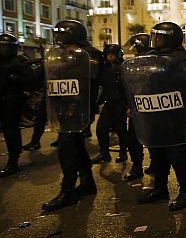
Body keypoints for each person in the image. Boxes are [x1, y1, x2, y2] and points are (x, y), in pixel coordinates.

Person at [133, 22, 186, 211]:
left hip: (174, 115)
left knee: (177, 154)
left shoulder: (182, 58)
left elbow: (185, 85)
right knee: (157, 153)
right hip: (154, 113)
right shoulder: (152, 56)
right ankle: (160, 188)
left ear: (170, 37)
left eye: (159, 37)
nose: (156, 40)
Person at [42, 20, 104, 212]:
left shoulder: (89, 54)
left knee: (66, 148)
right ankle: (87, 182)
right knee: (77, 146)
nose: (58, 38)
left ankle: (67, 190)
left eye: (62, 34)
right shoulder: (59, 54)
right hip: (63, 108)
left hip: (78, 109)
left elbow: (89, 79)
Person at [0, 33, 36, 177]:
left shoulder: (21, 62)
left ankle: (13, 161)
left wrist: (14, 78)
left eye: (7, 47)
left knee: (11, 131)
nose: (4, 50)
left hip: (11, 100)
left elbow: (31, 82)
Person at [92, 44, 129, 164]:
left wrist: (128, 105)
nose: (110, 56)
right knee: (101, 128)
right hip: (109, 103)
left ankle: (123, 153)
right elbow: (103, 85)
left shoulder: (123, 67)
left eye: (113, 54)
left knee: (121, 129)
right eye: (108, 54)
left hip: (120, 103)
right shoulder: (104, 68)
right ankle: (104, 153)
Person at [122, 33, 151, 182]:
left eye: (135, 48)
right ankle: (137, 166)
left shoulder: (154, 63)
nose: (133, 51)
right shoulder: (133, 64)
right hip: (136, 106)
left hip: (150, 107)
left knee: (153, 139)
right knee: (133, 139)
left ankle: (155, 164)